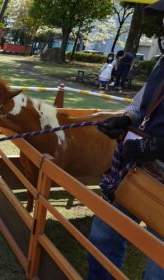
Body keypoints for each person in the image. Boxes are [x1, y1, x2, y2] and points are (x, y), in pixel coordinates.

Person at [88, 2, 164, 279]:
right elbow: (142, 103)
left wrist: (154, 146)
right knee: (104, 234)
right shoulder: (163, 62)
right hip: (137, 166)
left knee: (158, 265)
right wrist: (126, 119)